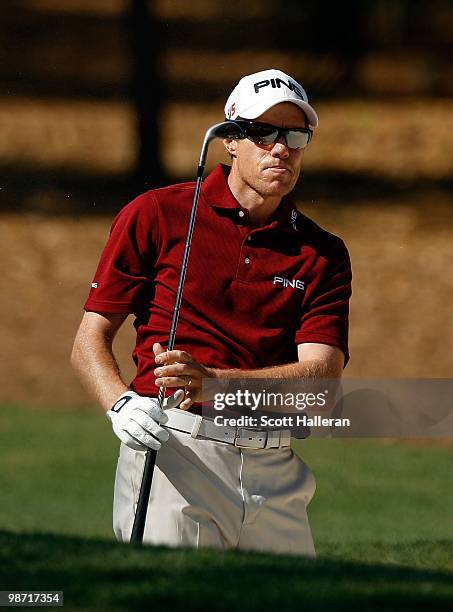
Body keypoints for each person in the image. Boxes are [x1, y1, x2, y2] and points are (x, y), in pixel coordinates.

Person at [71, 68, 352, 557]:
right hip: (176, 457)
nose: (281, 148)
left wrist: (217, 384)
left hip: (277, 469)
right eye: (264, 133)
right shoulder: (157, 213)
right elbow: (88, 340)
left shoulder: (322, 252)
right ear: (229, 141)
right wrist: (120, 403)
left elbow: (321, 383)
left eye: (295, 135)